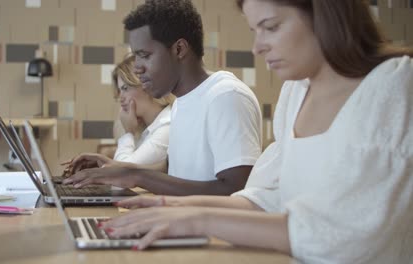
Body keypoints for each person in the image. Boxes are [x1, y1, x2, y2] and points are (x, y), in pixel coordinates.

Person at [97, 0, 413, 263]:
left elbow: (344, 235)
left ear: (324, 13)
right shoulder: (297, 91)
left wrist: (197, 219)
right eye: (254, 30)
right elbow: (267, 197)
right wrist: (171, 207)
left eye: (271, 27)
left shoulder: (393, 85)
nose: (258, 47)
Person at [62, 0, 262, 196]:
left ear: (179, 49)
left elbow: (236, 189)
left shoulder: (226, 96)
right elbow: (172, 167)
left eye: (145, 55)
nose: (137, 67)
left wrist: (136, 176)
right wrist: (116, 169)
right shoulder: (181, 102)